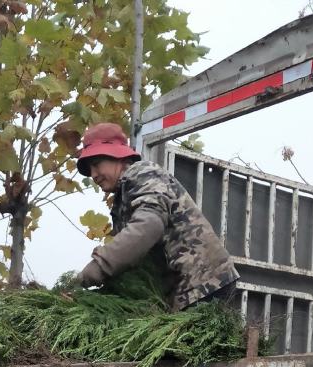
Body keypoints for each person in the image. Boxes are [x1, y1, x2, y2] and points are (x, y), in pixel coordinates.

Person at [74, 122, 239, 309]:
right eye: (89, 170)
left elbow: (149, 226)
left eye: (96, 165)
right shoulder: (124, 196)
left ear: (117, 156)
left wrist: (100, 265)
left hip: (203, 285)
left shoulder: (142, 173)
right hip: (187, 290)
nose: (93, 175)